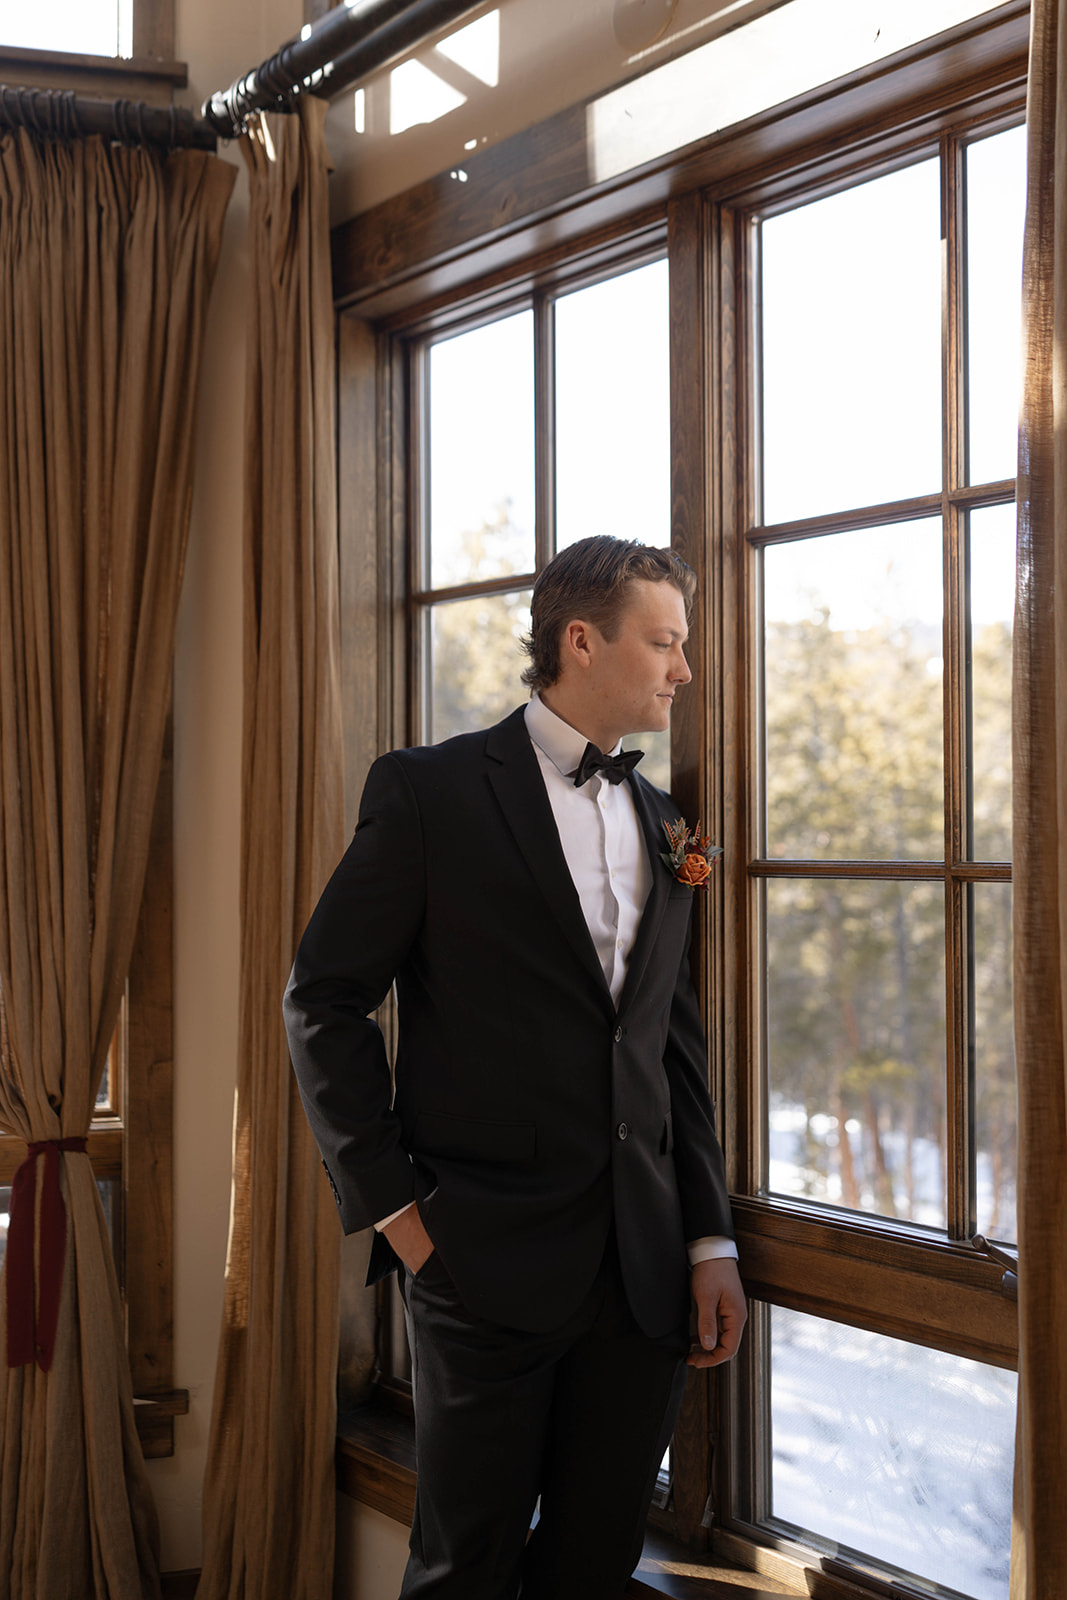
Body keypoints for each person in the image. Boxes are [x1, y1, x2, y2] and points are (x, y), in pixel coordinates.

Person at [284, 535, 747, 1600]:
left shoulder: (662, 819)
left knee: (591, 1565)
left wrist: (707, 1233)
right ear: (580, 642)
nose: (683, 668)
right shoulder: (427, 793)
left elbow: (669, 1047)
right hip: (476, 1261)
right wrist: (399, 1215)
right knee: (464, 1567)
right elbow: (322, 999)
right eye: (664, 641)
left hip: (641, 1281)